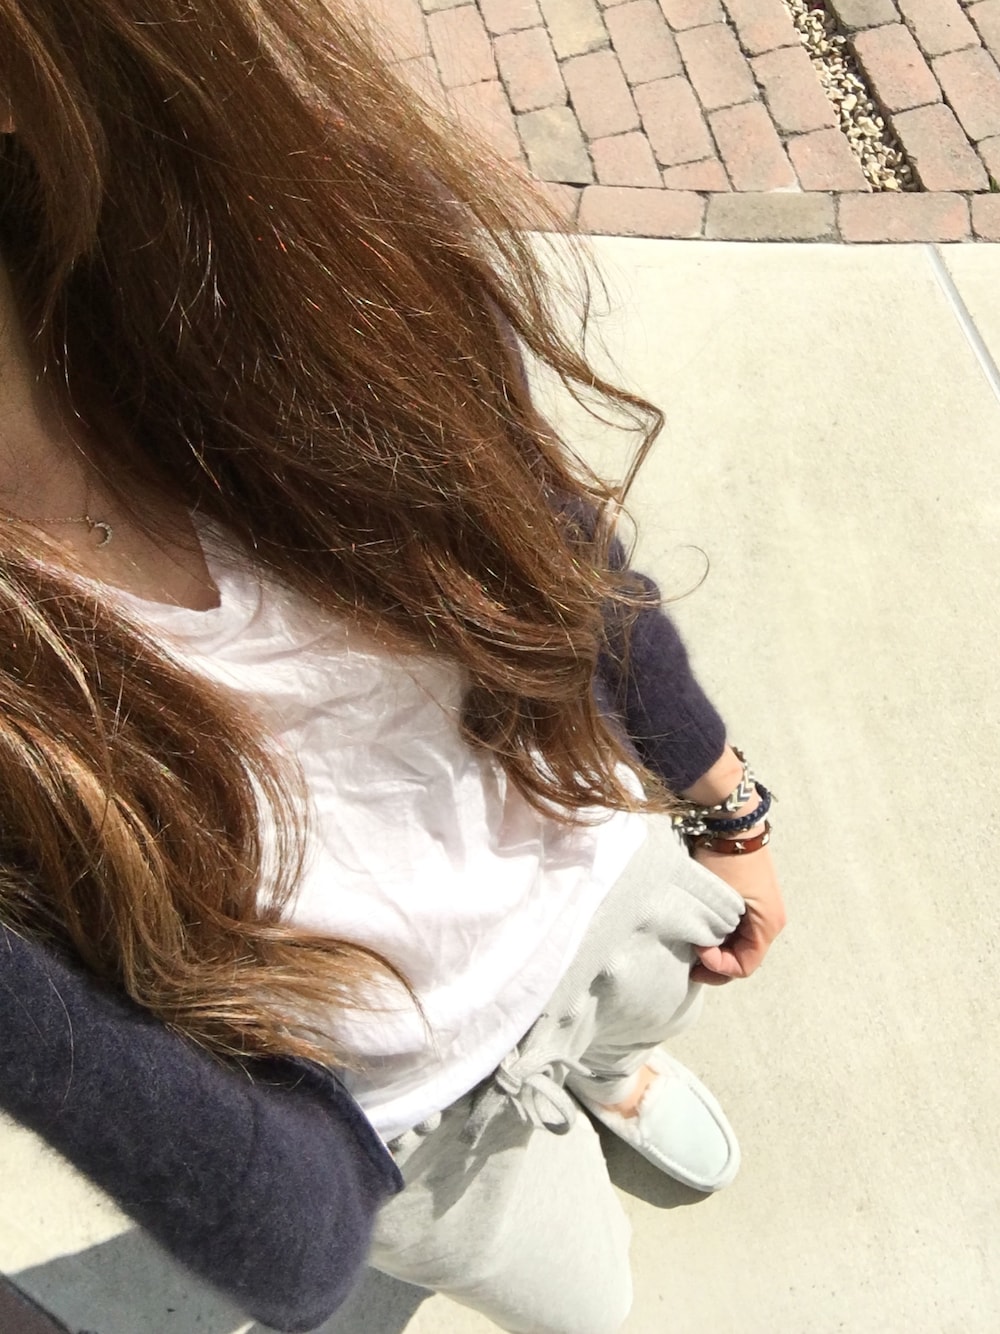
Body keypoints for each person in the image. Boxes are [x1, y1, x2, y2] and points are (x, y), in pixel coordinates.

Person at [0, 3, 785, 1332]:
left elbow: (543, 541)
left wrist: (722, 799)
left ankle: (607, 1072)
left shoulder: (249, 232)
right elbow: (302, 1245)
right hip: (420, 1112)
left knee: (652, 1007)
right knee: (587, 1299)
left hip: (608, 871)